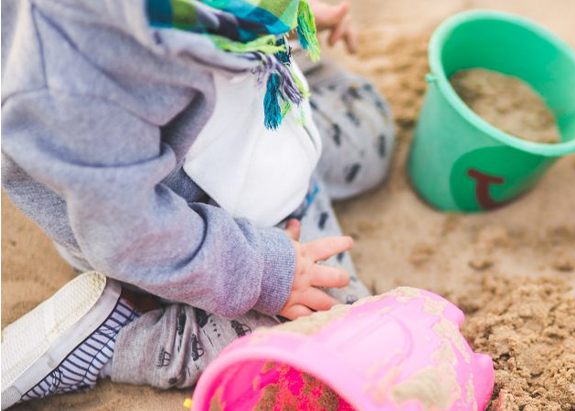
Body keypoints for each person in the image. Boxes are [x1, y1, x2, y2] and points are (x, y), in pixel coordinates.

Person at [0, 0, 394, 408]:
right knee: (340, 330)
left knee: (372, 130)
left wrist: (282, 19)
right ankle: (121, 335)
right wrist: (264, 272)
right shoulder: (74, 78)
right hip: (190, 234)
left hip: (256, 124)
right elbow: (132, 235)